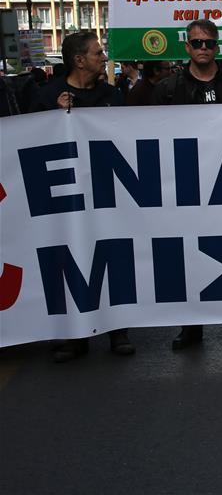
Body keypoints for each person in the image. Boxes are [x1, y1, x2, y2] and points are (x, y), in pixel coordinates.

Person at [153, 19, 222, 348]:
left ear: (217, 47)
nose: (203, 48)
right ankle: (192, 327)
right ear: (186, 47)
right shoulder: (168, 88)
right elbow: (137, 126)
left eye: (209, 43)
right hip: (186, 185)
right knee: (188, 256)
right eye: (196, 43)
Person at [30, 31, 136, 361]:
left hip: (106, 192)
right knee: (70, 260)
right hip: (65, 198)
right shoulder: (48, 96)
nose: (104, 58)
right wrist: (53, 119)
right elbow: (29, 141)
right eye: (98, 53)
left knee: (112, 257)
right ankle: (74, 335)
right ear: (78, 60)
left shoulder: (111, 94)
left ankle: (117, 331)